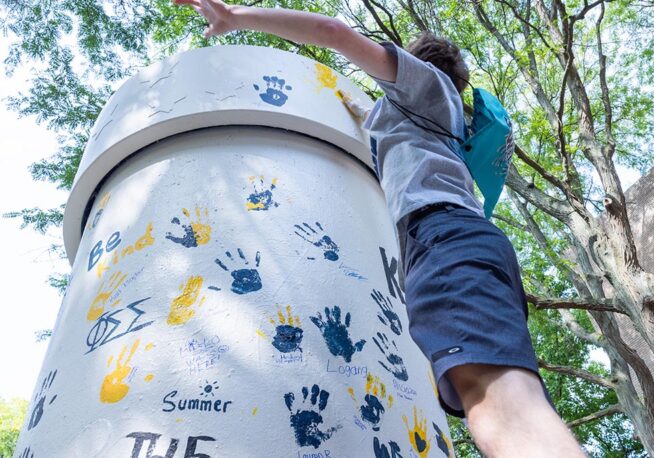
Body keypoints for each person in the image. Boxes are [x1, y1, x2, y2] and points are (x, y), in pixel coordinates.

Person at [175, 1, 586, 455]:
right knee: (488, 389)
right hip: (459, 238)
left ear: (419, 63)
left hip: (442, 234)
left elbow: (334, 31)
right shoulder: (437, 120)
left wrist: (236, 17)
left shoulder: (425, 85)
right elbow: (391, 137)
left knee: (495, 395)